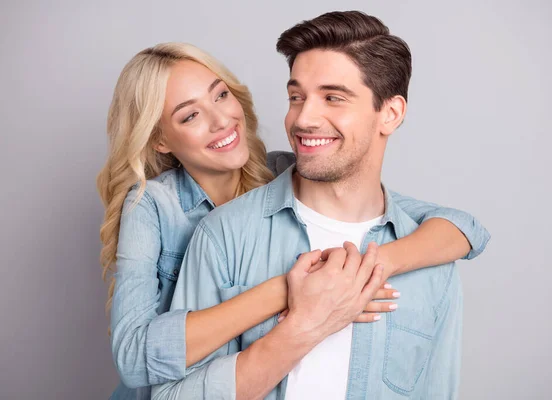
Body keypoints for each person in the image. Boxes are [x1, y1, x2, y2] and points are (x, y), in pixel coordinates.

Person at [97, 41, 488, 399]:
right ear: (160, 140)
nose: (221, 121)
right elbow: (134, 358)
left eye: (221, 95)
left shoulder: (283, 171)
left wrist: (365, 271)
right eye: (191, 115)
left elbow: (459, 227)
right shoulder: (151, 206)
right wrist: (290, 292)